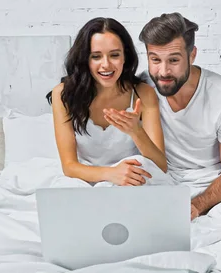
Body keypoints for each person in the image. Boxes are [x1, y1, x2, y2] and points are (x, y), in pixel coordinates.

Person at [138, 12, 221, 220]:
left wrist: (196, 206)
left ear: (192, 55)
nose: (163, 71)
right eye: (155, 59)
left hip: (214, 183)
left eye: (173, 60)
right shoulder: (143, 86)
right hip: (164, 180)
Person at [46, 17, 168, 187]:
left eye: (114, 55)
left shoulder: (143, 93)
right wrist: (111, 174)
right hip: (84, 178)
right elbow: (69, 166)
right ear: (85, 60)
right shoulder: (62, 94)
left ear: (125, 56)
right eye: (96, 56)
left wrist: (136, 131)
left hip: (129, 179)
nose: (106, 65)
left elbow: (160, 166)